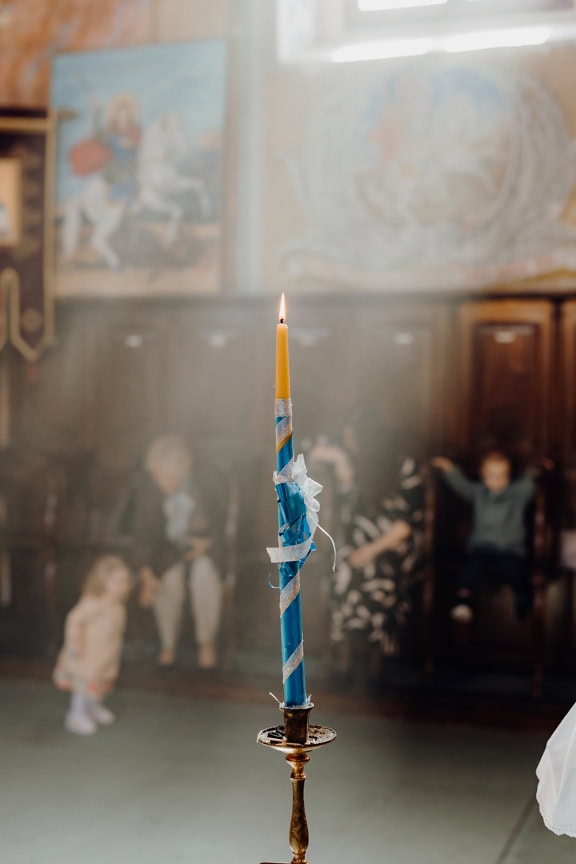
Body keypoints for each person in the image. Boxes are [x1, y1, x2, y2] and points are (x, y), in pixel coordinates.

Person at [308, 408, 424, 672]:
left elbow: (406, 525)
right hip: (357, 542)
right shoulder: (353, 461)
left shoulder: (404, 465)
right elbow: (308, 450)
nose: (349, 444)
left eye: (353, 439)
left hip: (394, 544)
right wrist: (341, 461)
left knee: (376, 571)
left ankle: (377, 659)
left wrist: (370, 551)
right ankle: (346, 656)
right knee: (345, 567)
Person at [126, 434, 224, 670]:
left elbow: (228, 527)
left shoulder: (208, 484)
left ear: (183, 466)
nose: (159, 480)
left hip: (205, 551)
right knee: (167, 577)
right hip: (168, 553)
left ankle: (206, 642)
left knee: (203, 574)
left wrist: (207, 544)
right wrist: (146, 571)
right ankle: (168, 644)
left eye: (164, 473)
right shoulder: (151, 488)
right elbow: (143, 534)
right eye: (156, 474)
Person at [432, 450, 546, 623]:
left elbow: (528, 483)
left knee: (516, 572)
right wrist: (449, 468)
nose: (497, 480)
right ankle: (463, 600)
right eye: (492, 475)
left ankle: (522, 599)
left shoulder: (517, 494)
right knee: (471, 569)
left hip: (510, 549)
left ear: (509, 476)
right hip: (481, 548)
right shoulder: (477, 492)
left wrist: (537, 468)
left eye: (502, 475)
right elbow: (461, 485)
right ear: (483, 476)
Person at [53, 555, 132, 736]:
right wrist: (74, 643)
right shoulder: (94, 602)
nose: (123, 586)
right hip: (87, 654)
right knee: (84, 684)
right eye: (117, 582)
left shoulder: (118, 605)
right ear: (102, 581)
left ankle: (93, 708)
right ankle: (76, 714)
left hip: (105, 655)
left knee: (100, 682)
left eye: (125, 581)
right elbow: (74, 620)